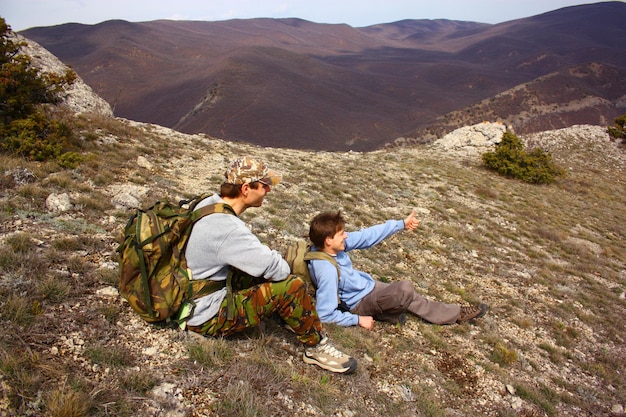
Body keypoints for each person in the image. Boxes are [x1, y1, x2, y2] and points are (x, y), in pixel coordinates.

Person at [184, 157, 357, 374]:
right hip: (204, 314)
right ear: (246, 188)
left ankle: (287, 316)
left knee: (258, 269)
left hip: (189, 294)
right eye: (264, 185)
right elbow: (279, 269)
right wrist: (269, 256)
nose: (268, 190)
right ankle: (316, 348)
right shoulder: (227, 228)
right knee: (291, 286)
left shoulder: (208, 203)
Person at [307, 210, 488, 330]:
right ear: (328, 240)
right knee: (405, 290)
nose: (346, 235)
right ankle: (454, 313)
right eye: (341, 234)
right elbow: (324, 314)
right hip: (358, 304)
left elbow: (367, 235)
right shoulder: (326, 269)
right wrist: (357, 320)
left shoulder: (331, 246)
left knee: (407, 296)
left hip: (367, 287)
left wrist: (401, 224)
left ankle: (391, 314)